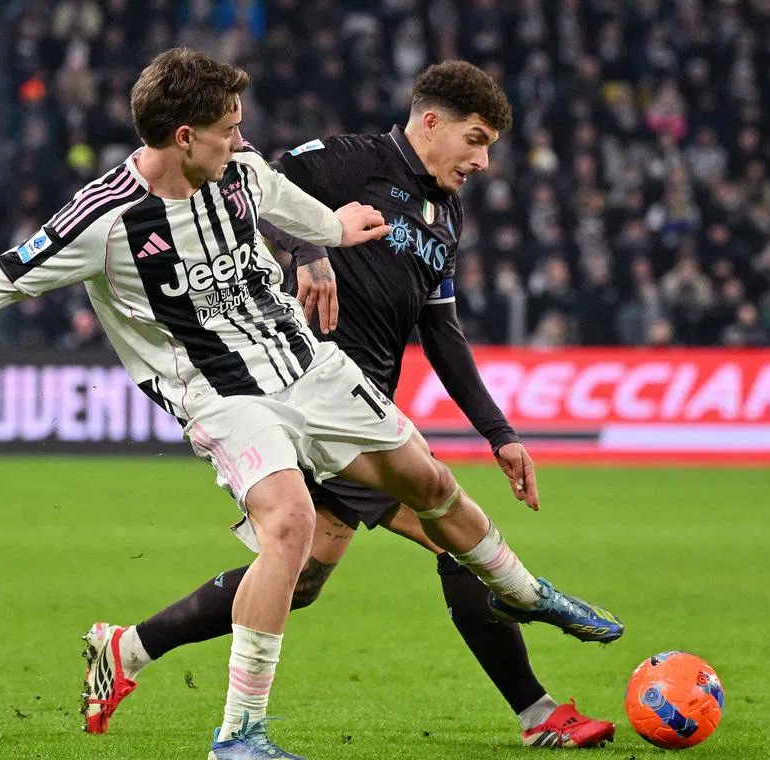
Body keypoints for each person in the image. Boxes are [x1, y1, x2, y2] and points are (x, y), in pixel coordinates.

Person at [0, 49, 621, 760]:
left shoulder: (243, 174)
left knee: (429, 487)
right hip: (221, 394)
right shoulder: (104, 221)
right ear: (186, 137)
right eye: (229, 129)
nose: (243, 140)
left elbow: (301, 211)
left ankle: (522, 592)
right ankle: (242, 733)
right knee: (290, 529)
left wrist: (331, 239)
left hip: (308, 367)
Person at [80, 61, 621, 751]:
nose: (483, 161)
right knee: (449, 540)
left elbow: (442, 332)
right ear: (431, 123)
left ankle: (124, 651)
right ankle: (538, 712)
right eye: (475, 140)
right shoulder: (351, 161)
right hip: (301, 394)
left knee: (298, 577)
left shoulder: (444, 217)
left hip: (356, 408)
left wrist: (499, 432)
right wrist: (311, 251)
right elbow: (258, 180)